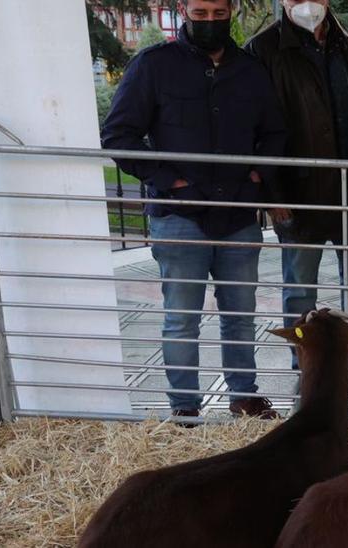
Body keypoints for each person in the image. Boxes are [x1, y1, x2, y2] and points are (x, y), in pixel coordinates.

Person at [101, 0, 286, 420]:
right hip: (179, 215)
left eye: (218, 13)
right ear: (183, 9)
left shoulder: (251, 69)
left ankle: (244, 394)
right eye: (199, 13)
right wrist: (168, 180)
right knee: (181, 319)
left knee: (240, 314)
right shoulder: (152, 66)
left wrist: (257, 174)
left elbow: (275, 132)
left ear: (232, 10)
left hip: (238, 215)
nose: (209, 21)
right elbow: (118, 135)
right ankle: (184, 406)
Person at [246, 0, 348, 374]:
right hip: (299, 192)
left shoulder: (344, 42)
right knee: (300, 284)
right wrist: (273, 195)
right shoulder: (264, 49)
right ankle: (304, 358)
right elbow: (256, 127)